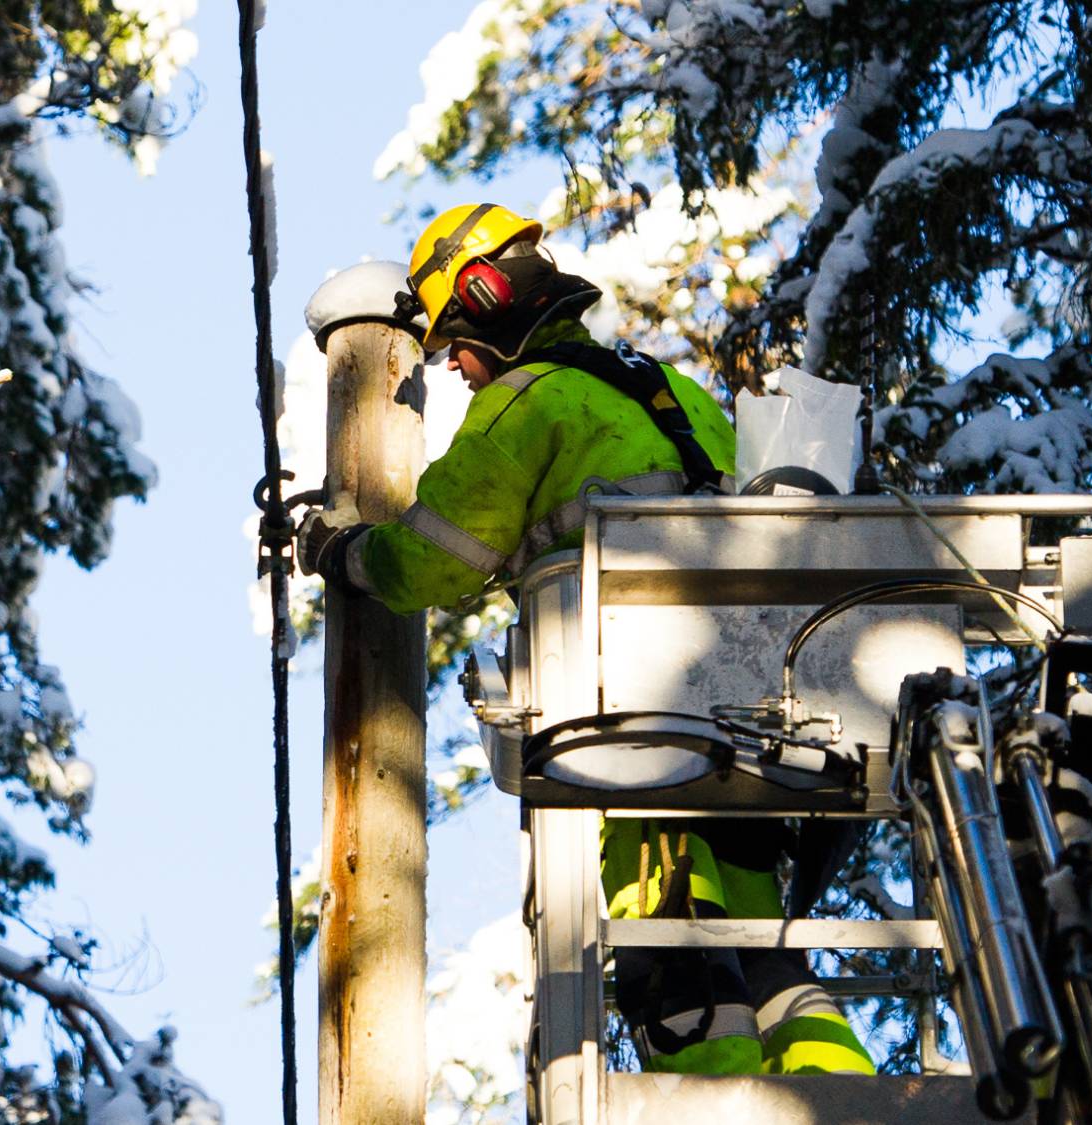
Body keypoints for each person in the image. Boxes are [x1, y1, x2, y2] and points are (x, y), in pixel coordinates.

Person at [295, 202, 876, 1078]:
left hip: (642, 730)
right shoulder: (665, 387)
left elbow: (430, 557)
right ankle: (839, 1086)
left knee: (667, 944)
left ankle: (714, 1095)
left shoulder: (527, 405)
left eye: (455, 340)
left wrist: (343, 551)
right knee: (763, 947)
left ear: (487, 298)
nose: (454, 365)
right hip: (759, 722)